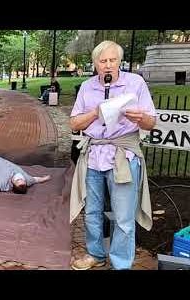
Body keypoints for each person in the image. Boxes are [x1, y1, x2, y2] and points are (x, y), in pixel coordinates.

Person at [69, 41, 156, 270]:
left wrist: (140, 118)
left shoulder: (135, 83)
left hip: (123, 157)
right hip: (94, 157)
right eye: (102, 61)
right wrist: (95, 112)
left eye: (112, 60)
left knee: (124, 217)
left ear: (119, 61)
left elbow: (151, 121)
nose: (108, 65)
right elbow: (74, 122)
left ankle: (121, 264)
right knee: (92, 212)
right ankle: (95, 254)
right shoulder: (87, 87)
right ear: (96, 63)